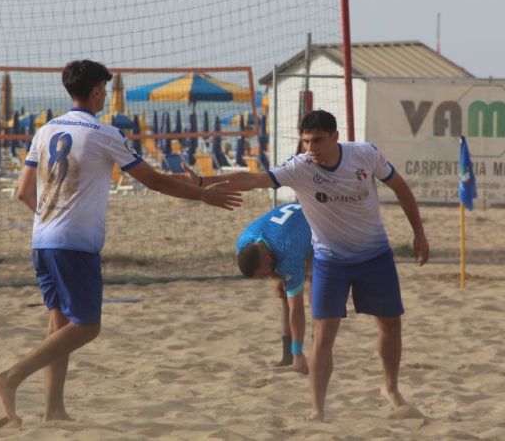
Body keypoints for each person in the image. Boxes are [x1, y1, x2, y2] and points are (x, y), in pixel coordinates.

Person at [0, 59, 242, 429]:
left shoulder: (45, 131)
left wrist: (196, 184)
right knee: (88, 326)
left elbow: (25, 191)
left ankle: (53, 409)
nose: (106, 95)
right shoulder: (103, 132)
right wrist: (201, 197)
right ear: (95, 91)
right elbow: (152, 182)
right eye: (104, 89)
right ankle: (10, 378)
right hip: (74, 244)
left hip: (42, 240)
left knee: (59, 321)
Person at [182, 109, 429, 421]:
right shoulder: (300, 167)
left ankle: (390, 388)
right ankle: (318, 410)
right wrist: (203, 181)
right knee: (323, 335)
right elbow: (252, 179)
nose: (311, 148)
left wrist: (419, 233)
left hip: (373, 254)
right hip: (329, 260)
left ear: (335, 137)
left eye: (317, 141)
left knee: (390, 325)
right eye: (306, 141)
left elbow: (401, 188)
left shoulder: (364, 155)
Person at [236, 203, 313, 374]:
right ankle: (288, 356)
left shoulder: (288, 254)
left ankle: (313, 353)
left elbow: (297, 309)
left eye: (264, 275)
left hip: (319, 223)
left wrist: (298, 353)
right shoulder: (243, 242)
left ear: (267, 258)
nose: (265, 278)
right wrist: (277, 277)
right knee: (285, 294)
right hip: (295, 223)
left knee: (315, 293)